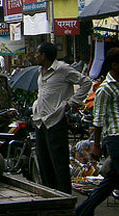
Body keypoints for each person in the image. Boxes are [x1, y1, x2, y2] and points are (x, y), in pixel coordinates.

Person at [33, 42, 92, 194]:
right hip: (41, 122)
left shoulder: (62, 69)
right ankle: (50, 196)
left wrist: (71, 103)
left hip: (55, 121)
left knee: (59, 163)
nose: (35, 56)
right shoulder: (41, 71)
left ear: (44, 55)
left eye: (37, 53)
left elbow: (86, 82)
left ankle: (64, 197)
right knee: (44, 163)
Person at [76, 48, 119, 216]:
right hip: (115, 137)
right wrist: (95, 145)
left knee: (111, 181)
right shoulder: (104, 89)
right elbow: (98, 120)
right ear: (114, 65)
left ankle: (83, 211)